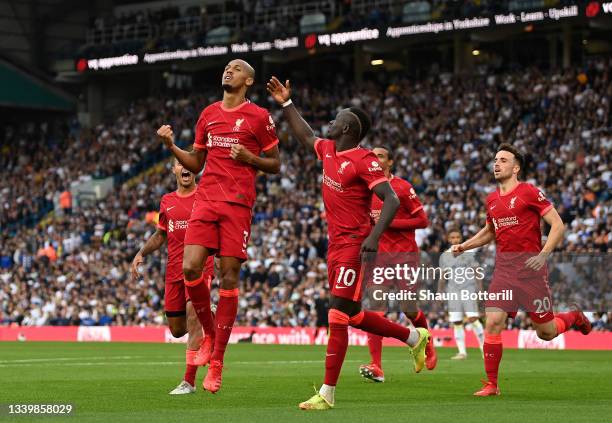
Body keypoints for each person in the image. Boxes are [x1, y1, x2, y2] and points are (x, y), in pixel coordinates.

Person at [267, 76, 430, 410]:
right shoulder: (328, 150)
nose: (330, 122)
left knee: (337, 315)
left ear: (347, 128)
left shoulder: (364, 160)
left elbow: (391, 200)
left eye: (336, 119)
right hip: (335, 245)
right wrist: (286, 104)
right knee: (353, 315)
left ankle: (327, 393)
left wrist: (372, 238)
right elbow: (304, 134)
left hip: (356, 246)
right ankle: (415, 336)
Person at [157, 58, 280, 394]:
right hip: (207, 200)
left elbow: (276, 164)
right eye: (227, 67)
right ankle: (210, 334)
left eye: (237, 68)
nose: (229, 70)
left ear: (249, 80)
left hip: (238, 204)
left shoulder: (259, 117)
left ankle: (218, 361)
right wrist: (171, 146)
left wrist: (250, 159)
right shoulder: (208, 114)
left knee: (228, 277)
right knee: (191, 268)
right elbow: (196, 162)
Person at [452, 143, 592, 397]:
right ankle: (491, 384)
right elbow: (490, 232)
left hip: (531, 273)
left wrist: (543, 255)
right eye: (495, 159)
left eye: (503, 160)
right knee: (493, 322)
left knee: (547, 332)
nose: (497, 163)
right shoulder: (492, 199)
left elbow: (557, 225)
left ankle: (574, 316)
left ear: (516, 168)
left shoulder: (529, 192)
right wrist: (465, 245)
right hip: (504, 272)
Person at [131, 158, 215, 394]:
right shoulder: (167, 201)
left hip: (199, 267)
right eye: (180, 163)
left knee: (193, 317)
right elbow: (160, 235)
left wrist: (217, 256)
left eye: (190, 163)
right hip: (173, 271)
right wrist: (141, 252)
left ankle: (189, 381)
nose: (185, 167)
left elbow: (217, 227)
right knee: (177, 330)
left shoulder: (205, 196)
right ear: (174, 169)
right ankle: (210, 318)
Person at [359, 146, 435, 384]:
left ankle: (427, 344)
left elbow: (422, 220)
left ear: (390, 162)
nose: (375, 159)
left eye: (380, 155)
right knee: (374, 310)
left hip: (405, 257)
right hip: (379, 258)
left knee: (409, 310)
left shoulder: (401, 187)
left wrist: (388, 222)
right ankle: (377, 366)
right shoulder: (365, 190)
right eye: (372, 155)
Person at [438, 229, 485, 360]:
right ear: (448, 239)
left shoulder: (469, 252)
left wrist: (480, 291)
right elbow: (443, 276)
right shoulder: (445, 256)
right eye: (453, 237)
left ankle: (484, 349)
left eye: (458, 237)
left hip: (468, 289)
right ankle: (462, 352)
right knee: (457, 321)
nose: (456, 240)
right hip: (453, 291)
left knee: (473, 319)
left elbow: (477, 272)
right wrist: (439, 293)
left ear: (461, 238)